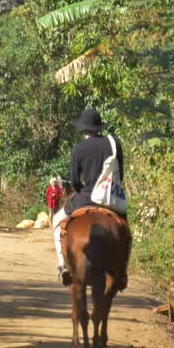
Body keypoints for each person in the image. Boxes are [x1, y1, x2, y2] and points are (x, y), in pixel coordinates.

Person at [53, 108, 129, 287]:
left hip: (85, 197)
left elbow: (74, 180)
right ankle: (123, 272)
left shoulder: (78, 148)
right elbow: (121, 175)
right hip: (109, 199)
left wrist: (81, 190)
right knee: (126, 231)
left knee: (57, 221)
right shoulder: (114, 143)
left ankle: (62, 265)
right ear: (99, 127)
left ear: (83, 128)